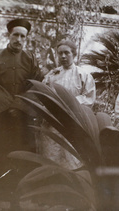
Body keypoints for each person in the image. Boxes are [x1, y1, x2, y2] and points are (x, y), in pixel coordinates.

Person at [0, 18, 43, 208]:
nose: (18, 39)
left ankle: (16, 198)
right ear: (10, 35)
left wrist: (20, 106)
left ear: (26, 38)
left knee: (19, 158)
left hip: (21, 120)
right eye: (15, 34)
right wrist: (9, 105)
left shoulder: (31, 59)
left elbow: (37, 84)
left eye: (23, 36)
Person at [40, 39, 96, 169]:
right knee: (52, 156)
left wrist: (69, 103)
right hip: (53, 121)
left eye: (67, 53)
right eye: (60, 53)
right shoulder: (51, 75)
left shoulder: (83, 74)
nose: (63, 56)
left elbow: (89, 98)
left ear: (74, 54)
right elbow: (43, 95)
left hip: (73, 121)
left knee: (72, 158)